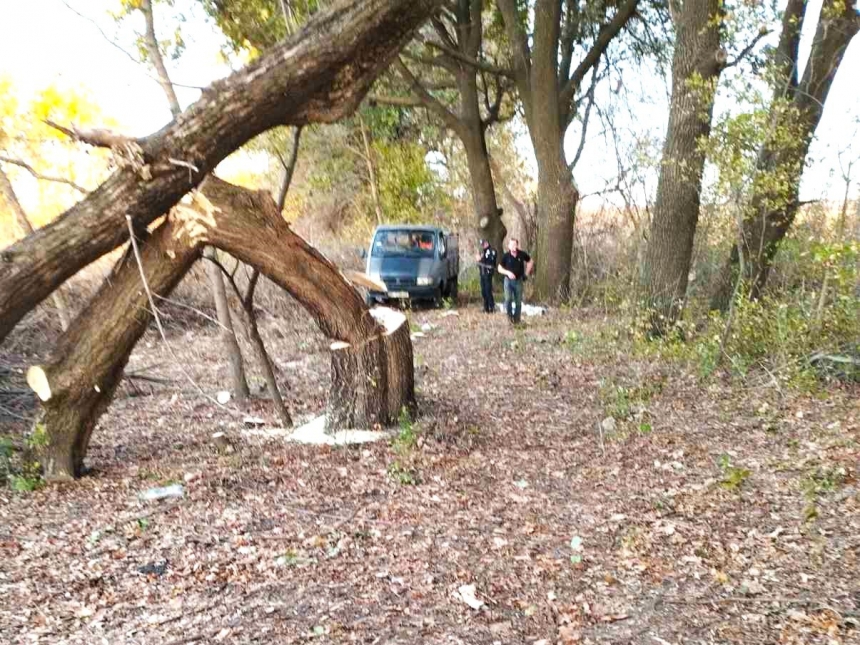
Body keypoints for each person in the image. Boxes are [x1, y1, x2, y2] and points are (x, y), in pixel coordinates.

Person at [497, 238, 533, 324]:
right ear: (508, 246)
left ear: (517, 245)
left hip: (518, 280)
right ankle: (510, 318)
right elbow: (499, 268)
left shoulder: (521, 254)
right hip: (508, 281)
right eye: (511, 244)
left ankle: (517, 320)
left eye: (515, 244)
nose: (513, 246)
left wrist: (526, 273)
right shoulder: (506, 256)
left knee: (518, 301)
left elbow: (530, 261)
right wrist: (507, 272)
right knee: (508, 299)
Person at [475, 239, 497, 313]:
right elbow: (481, 262)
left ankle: (492, 307)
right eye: (482, 244)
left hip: (488, 273)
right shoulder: (483, 251)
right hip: (482, 273)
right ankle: (486, 307)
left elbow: (490, 261)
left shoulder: (492, 251)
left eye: (484, 244)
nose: (483, 245)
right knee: (483, 291)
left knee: (488, 290)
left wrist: (480, 259)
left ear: (487, 243)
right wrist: (479, 260)